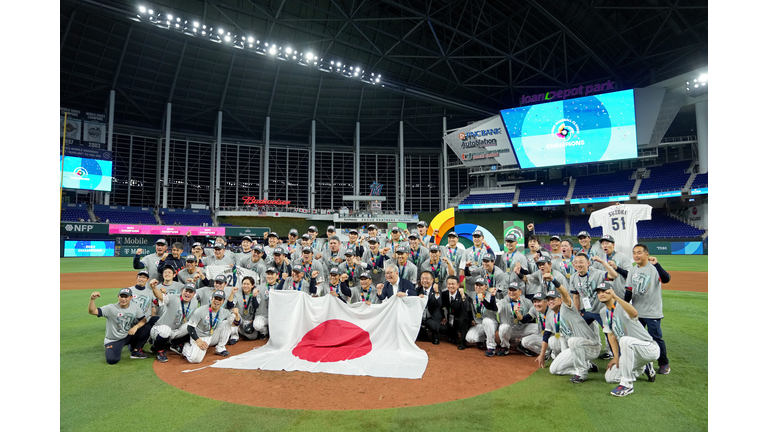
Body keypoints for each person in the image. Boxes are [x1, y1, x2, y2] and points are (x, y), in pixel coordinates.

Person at [597, 282, 659, 397]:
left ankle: (627, 384)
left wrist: (616, 297)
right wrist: (615, 357)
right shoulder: (603, 312)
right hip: (632, 353)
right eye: (599, 292)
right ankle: (643, 367)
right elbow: (610, 335)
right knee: (610, 377)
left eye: (605, 291)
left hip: (649, 348)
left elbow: (634, 313)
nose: (601, 294)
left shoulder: (622, 306)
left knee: (624, 340)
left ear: (612, 292)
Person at [622, 244, 672, 375]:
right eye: (634, 253)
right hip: (636, 312)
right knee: (636, 338)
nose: (636, 255)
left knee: (656, 338)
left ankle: (664, 363)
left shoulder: (654, 268)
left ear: (646, 254)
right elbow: (629, 290)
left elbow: (666, 279)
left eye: (639, 252)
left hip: (652, 312)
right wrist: (624, 307)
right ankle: (640, 362)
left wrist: (657, 265)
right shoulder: (632, 271)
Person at [545, 280, 602, 383]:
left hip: (591, 346)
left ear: (560, 300)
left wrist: (553, 280)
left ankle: (581, 374)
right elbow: (563, 340)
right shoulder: (555, 316)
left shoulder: (567, 308)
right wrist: (564, 357)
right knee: (554, 369)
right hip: (577, 347)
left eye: (553, 299)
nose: (550, 301)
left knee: (573, 341)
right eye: (548, 299)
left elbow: (565, 294)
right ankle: (586, 366)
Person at [88, 288, 150, 364]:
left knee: (147, 327)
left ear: (131, 298)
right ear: (118, 297)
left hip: (128, 335)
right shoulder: (111, 308)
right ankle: (118, 347)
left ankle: (135, 351)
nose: (123, 299)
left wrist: (136, 327)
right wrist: (92, 299)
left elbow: (143, 320)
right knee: (112, 360)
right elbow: (92, 311)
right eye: (122, 296)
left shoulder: (135, 307)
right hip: (114, 340)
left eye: (126, 297)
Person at [182, 290, 241, 363]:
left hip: (212, 335)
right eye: (215, 298)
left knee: (226, 323)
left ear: (223, 301)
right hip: (200, 336)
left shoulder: (224, 312)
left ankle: (220, 348)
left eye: (220, 299)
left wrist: (237, 315)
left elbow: (235, 324)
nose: (217, 301)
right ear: (211, 299)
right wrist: (198, 341)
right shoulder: (200, 310)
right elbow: (190, 327)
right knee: (195, 359)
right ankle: (186, 347)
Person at [149, 283, 199, 362]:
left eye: (191, 292)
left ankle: (176, 344)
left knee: (192, 324)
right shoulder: (173, 298)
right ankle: (159, 350)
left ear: (194, 294)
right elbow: (161, 297)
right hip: (159, 329)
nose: (188, 293)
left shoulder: (194, 302)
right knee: (166, 331)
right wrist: (154, 287)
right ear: (182, 291)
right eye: (186, 291)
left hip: (175, 331)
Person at [494, 281, 537, 356]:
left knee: (538, 328)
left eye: (514, 290)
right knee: (503, 327)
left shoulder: (527, 302)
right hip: (510, 330)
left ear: (520, 291)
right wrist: (492, 297)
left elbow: (532, 319)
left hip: (523, 328)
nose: (512, 292)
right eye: (510, 290)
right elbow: (495, 308)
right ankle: (504, 347)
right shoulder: (503, 301)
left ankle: (524, 345)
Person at [463, 279, 499, 357]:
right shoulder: (472, 295)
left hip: (491, 322)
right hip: (479, 323)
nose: (478, 287)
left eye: (481, 285)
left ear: (486, 287)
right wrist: (472, 319)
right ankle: (483, 339)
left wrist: (483, 300)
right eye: (477, 285)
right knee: (470, 338)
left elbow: (494, 308)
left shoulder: (491, 295)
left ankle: (491, 347)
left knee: (486, 321)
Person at [226, 276, 262, 345]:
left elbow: (256, 306)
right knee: (233, 315)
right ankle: (234, 336)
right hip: (239, 317)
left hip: (249, 320)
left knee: (252, 337)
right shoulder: (237, 293)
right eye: (244, 284)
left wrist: (254, 297)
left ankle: (240, 331)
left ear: (252, 285)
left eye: (248, 284)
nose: (245, 286)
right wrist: (232, 293)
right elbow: (229, 305)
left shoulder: (256, 293)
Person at [440, 275, 471, 350]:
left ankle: (462, 342)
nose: (451, 286)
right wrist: (443, 317)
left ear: (457, 285)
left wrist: (463, 295)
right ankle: (453, 336)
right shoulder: (444, 294)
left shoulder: (463, 295)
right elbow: (440, 306)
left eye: (453, 284)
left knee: (463, 320)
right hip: (450, 319)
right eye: (449, 284)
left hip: (461, 319)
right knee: (441, 327)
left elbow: (467, 308)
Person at [520, 292, 550, 357]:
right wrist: (517, 314)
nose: (536, 304)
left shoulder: (552, 310)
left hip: (554, 337)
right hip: (542, 335)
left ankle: (554, 353)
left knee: (553, 342)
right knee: (525, 341)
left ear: (546, 302)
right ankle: (547, 353)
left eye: (539, 301)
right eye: (535, 301)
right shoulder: (534, 308)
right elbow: (525, 319)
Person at [417, 271, 443, 344]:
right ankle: (423, 332)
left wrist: (437, 292)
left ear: (432, 280)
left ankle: (435, 335)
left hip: (432, 316)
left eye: (427, 278)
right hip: (420, 316)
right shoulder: (418, 290)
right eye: (423, 278)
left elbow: (439, 304)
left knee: (432, 325)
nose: (424, 280)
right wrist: (418, 299)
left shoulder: (437, 290)